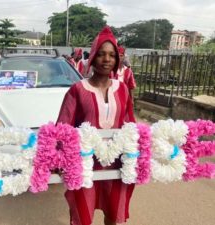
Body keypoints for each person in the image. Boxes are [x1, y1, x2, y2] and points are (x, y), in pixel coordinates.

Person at [57, 26, 136, 225]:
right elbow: (63, 129)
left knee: (113, 214)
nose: (106, 59)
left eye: (111, 55)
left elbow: (130, 124)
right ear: (92, 57)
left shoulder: (123, 89)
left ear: (117, 59)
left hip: (117, 163)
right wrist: (58, 161)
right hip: (85, 165)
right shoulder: (77, 90)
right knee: (82, 217)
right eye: (101, 54)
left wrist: (138, 156)